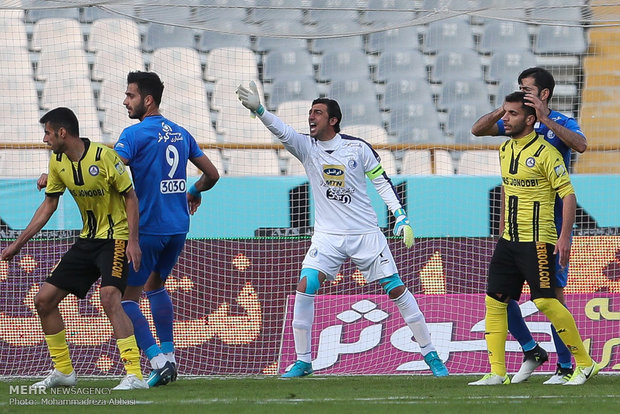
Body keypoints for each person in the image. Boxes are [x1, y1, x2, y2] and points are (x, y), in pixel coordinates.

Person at [236, 82, 449, 378]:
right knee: (305, 285)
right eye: (310, 112)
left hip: (365, 235)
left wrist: (400, 216)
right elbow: (282, 131)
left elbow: (381, 182)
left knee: (397, 289)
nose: (311, 117)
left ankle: (432, 355)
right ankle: (303, 361)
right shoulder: (307, 148)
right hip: (328, 237)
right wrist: (260, 110)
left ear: (333, 120)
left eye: (318, 113)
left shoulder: (357, 148)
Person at [1, 107, 148, 390]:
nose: (44, 139)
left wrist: (132, 240)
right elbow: (48, 205)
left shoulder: (105, 157)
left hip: (115, 238)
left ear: (62, 132)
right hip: (86, 242)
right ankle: (64, 372)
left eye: (47, 133)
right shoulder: (58, 162)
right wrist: (18, 244)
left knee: (109, 298)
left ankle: (135, 375)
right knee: (43, 301)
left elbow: (130, 197)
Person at [468, 92, 598, 386]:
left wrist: (564, 238)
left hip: (539, 239)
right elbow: (507, 190)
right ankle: (497, 372)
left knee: (546, 302)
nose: (505, 119)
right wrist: (501, 231)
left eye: (512, 114)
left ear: (529, 119)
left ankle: (585, 363)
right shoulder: (505, 150)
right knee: (495, 301)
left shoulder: (546, 153)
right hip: (509, 240)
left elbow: (568, 194)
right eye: (505, 113)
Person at [114, 71, 220, 387]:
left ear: (147, 99)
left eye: (130, 95)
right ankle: (171, 358)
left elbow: (110, 171)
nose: (125, 101)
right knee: (155, 287)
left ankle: (158, 363)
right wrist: (194, 191)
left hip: (147, 228)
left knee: (124, 301)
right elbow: (212, 174)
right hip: (178, 227)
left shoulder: (133, 135)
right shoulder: (180, 132)